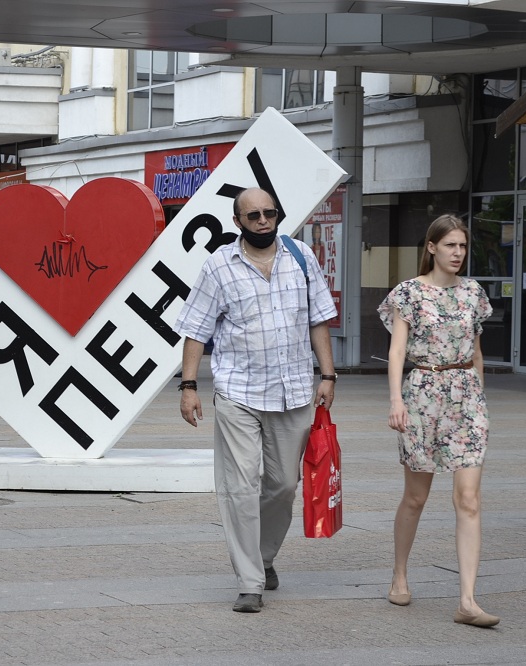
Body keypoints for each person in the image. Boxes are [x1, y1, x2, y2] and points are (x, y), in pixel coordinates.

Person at [174, 187, 337, 614]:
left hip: (296, 391)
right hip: (238, 393)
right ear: (238, 222)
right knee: (240, 487)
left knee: (283, 485)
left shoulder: (301, 257)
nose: (263, 221)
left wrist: (328, 374)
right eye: (253, 216)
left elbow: (319, 319)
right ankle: (250, 581)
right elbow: (196, 328)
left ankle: (263, 558)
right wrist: (188, 386)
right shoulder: (218, 267)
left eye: (269, 213)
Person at [378, 214, 498, 628]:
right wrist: (396, 400)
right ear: (431, 247)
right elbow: (397, 352)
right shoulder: (408, 294)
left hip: (466, 397)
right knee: (416, 497)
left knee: (469, 499)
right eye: (450, 245)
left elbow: (477, 351)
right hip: (422, 395)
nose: (458, 253)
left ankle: (467, 600)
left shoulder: (474, 294)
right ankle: (399, 575)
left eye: (463, 246)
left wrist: (478, 400)